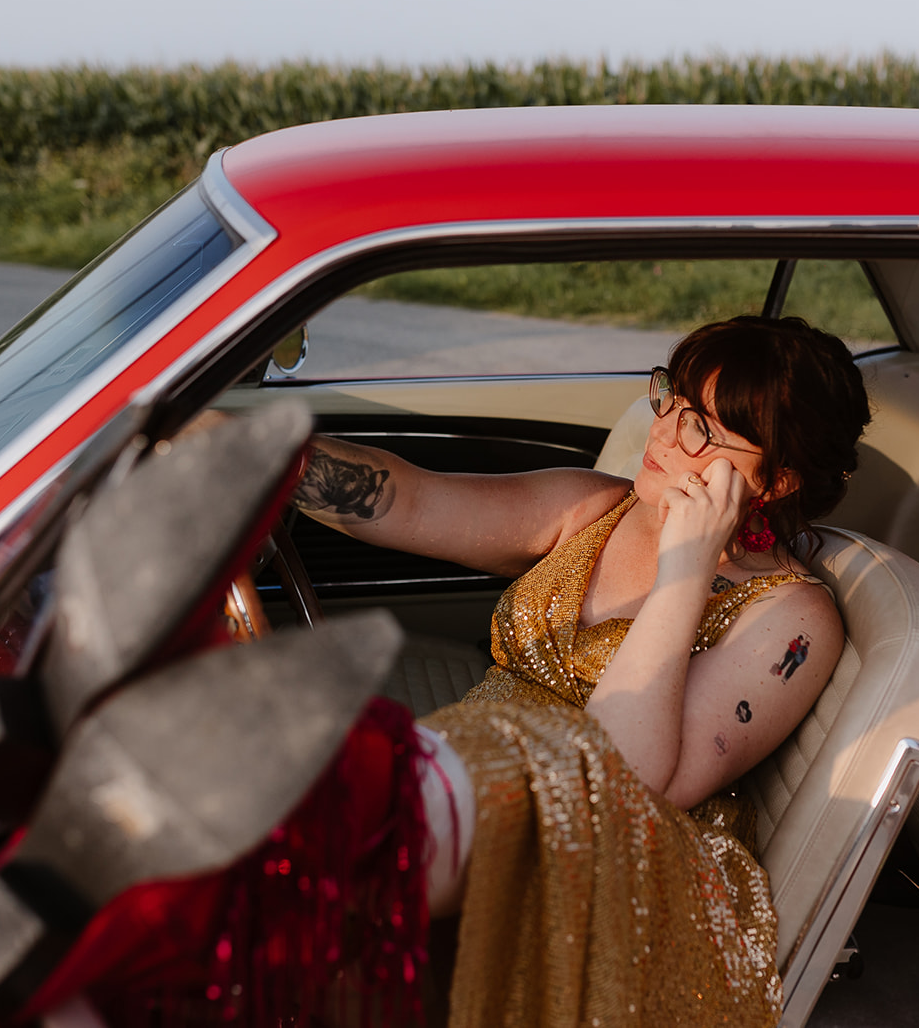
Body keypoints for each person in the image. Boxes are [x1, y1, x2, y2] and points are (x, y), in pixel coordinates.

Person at [291, 315, 872, 1026]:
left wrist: (685, 570)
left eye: (701, 428)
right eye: (671, 398)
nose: (661, 430)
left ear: (773, 479)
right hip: (479, 789)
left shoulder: (794, 620)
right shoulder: (598, 505)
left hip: (615, 871)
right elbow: (411, 500)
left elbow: (620, 776)